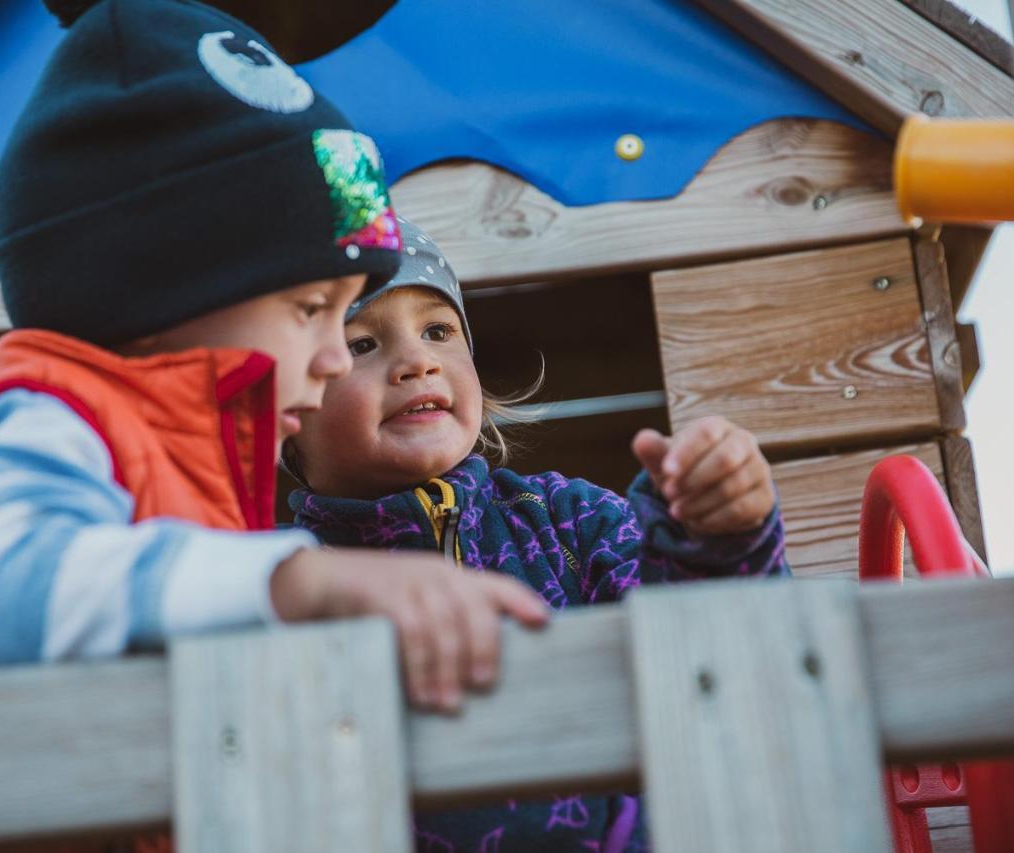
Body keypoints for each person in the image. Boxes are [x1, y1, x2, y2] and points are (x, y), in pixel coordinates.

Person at [0, 0, 549, 720]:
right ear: (166, 287)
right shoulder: (49, 421)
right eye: (309, 309)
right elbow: (1, 595)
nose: (331, 357)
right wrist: (296, 583)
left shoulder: (204, 475)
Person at [286, 217, 792, 852]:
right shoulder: (290, 580)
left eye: (438, 331)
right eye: (361, 345)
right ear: (286, 410)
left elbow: (715, 654)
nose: (417, 361)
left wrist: (722, 536)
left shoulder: (565, 519)